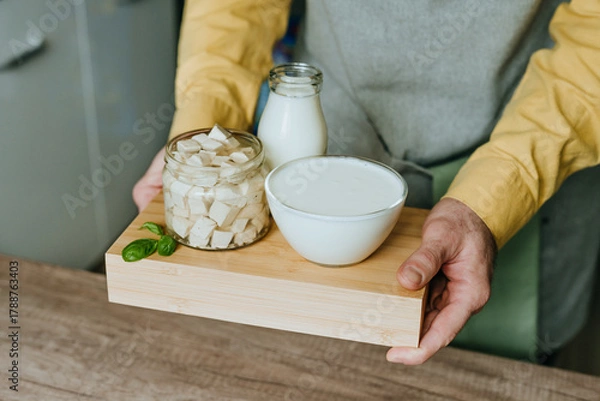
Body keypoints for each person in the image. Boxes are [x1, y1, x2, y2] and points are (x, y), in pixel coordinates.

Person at [133, 0, 600, 364]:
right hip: (330, 129)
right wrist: (204, 147)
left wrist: (501, 189)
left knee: (504, 375)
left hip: (531, 132)